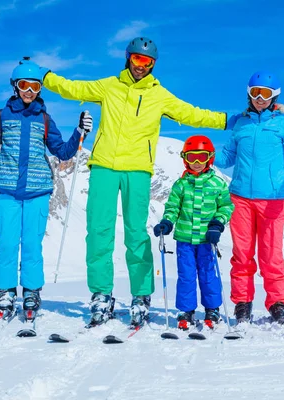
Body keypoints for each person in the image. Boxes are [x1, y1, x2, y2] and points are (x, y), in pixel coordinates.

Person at [37, 37, 229, 327]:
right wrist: (46, 77)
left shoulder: (159, 95)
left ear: (153, 65)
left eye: (147, 62)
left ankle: (141, 295)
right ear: (128, 58)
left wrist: (227, 120)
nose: (141, 66)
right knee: (98, 232)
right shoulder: (109, 86)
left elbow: (192, 114)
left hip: (138, 169)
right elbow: (73, 87)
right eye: (137, 60)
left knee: (136, 234)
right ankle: (101, 294)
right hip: (104, 166)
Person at [0, 57, 92, 320]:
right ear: (15, 86)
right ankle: (5, 291)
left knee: (31, 245)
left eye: (35, 86)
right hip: (7, 191)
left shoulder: (45, 119)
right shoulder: (2, 117)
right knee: (6, 243)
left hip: (38, 191)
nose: (29, 91)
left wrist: (78, 132)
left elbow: (62, 152)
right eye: (24, 85)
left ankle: (31, 291)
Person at [214, 71, 284, 325]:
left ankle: (277, 303)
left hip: (272, 198)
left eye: (266, 94)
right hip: (240, 199)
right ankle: (243, 303)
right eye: (255, 93)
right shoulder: (241, 124)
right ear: (248, 94)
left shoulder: (283, 124)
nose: (260, 98)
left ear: (274, 97)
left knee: (271, 254)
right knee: (242, 254)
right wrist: (204, 155)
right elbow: (227, 157)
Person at [153, 135, 233, 330]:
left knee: (208, 274)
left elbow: (226, 207)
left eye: (201, 157)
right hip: (185, 240)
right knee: (186, 275)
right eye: (191, 158)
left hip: (207, 239)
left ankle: (212, 309)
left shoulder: (217, 183)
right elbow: (173, 207)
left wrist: (217, 224)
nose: (196, 163)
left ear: (210, 157)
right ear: (185, 158)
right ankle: (186, 310)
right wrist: (167, 222)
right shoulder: (181, 185)